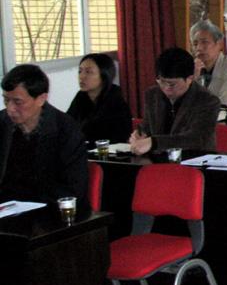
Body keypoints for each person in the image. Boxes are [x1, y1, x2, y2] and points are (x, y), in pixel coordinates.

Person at [0, 64, 87, 203]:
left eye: (18, 102)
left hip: (50, 206)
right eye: (6, 100)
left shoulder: (66, 130)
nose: (10, 108)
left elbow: (73, 188)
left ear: (41, 99)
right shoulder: (2, 122)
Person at [131, 47, 219, 155]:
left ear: (189, 79)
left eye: (171, 84)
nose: (165, 88)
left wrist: (154, 142)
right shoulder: (152, 95)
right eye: (161, 81)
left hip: (193, 160)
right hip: (158, 159)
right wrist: (138, 135)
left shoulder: (207, 101)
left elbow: (196, 139)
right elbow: (146, 128)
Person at [66, 53, 133, 144]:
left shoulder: (115, 100)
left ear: (104, 75)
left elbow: (117, 137)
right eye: (80, 71)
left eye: (88, 72)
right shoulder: (81, 96)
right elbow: (67, 123)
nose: (82, 76)